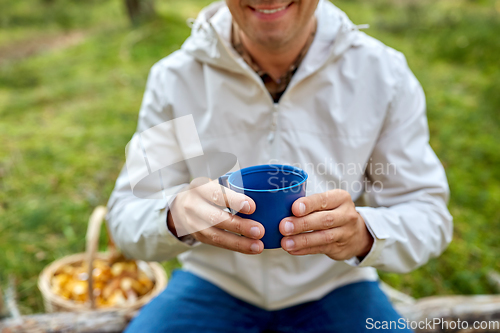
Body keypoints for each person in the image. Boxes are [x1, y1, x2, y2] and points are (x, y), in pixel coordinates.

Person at [107, 0, 453, 331]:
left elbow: (429, 213)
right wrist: (175, 217)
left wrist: (364, 233)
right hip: (214, 283)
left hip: (337, 285)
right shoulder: (175, 79)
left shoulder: (381, 74)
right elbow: (126, 213)